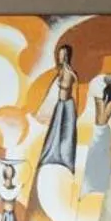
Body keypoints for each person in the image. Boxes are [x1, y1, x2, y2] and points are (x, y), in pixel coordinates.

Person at [34, 42, 80, 172]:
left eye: (61, 55)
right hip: (60, 104)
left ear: (66, 56)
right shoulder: (60, 72)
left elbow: (73, 89)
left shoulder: (70, 73)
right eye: (58, 55)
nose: (59, 57)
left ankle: (65, 158)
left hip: (67, 105)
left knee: (66, 132)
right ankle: (53, 154)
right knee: (56, 130)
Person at [81, 73, 111, 194]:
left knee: (97, 157)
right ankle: (97, 185)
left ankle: (96, 185)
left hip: (100, 131)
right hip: (103, 131)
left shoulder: (99, 101)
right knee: (100, 158)